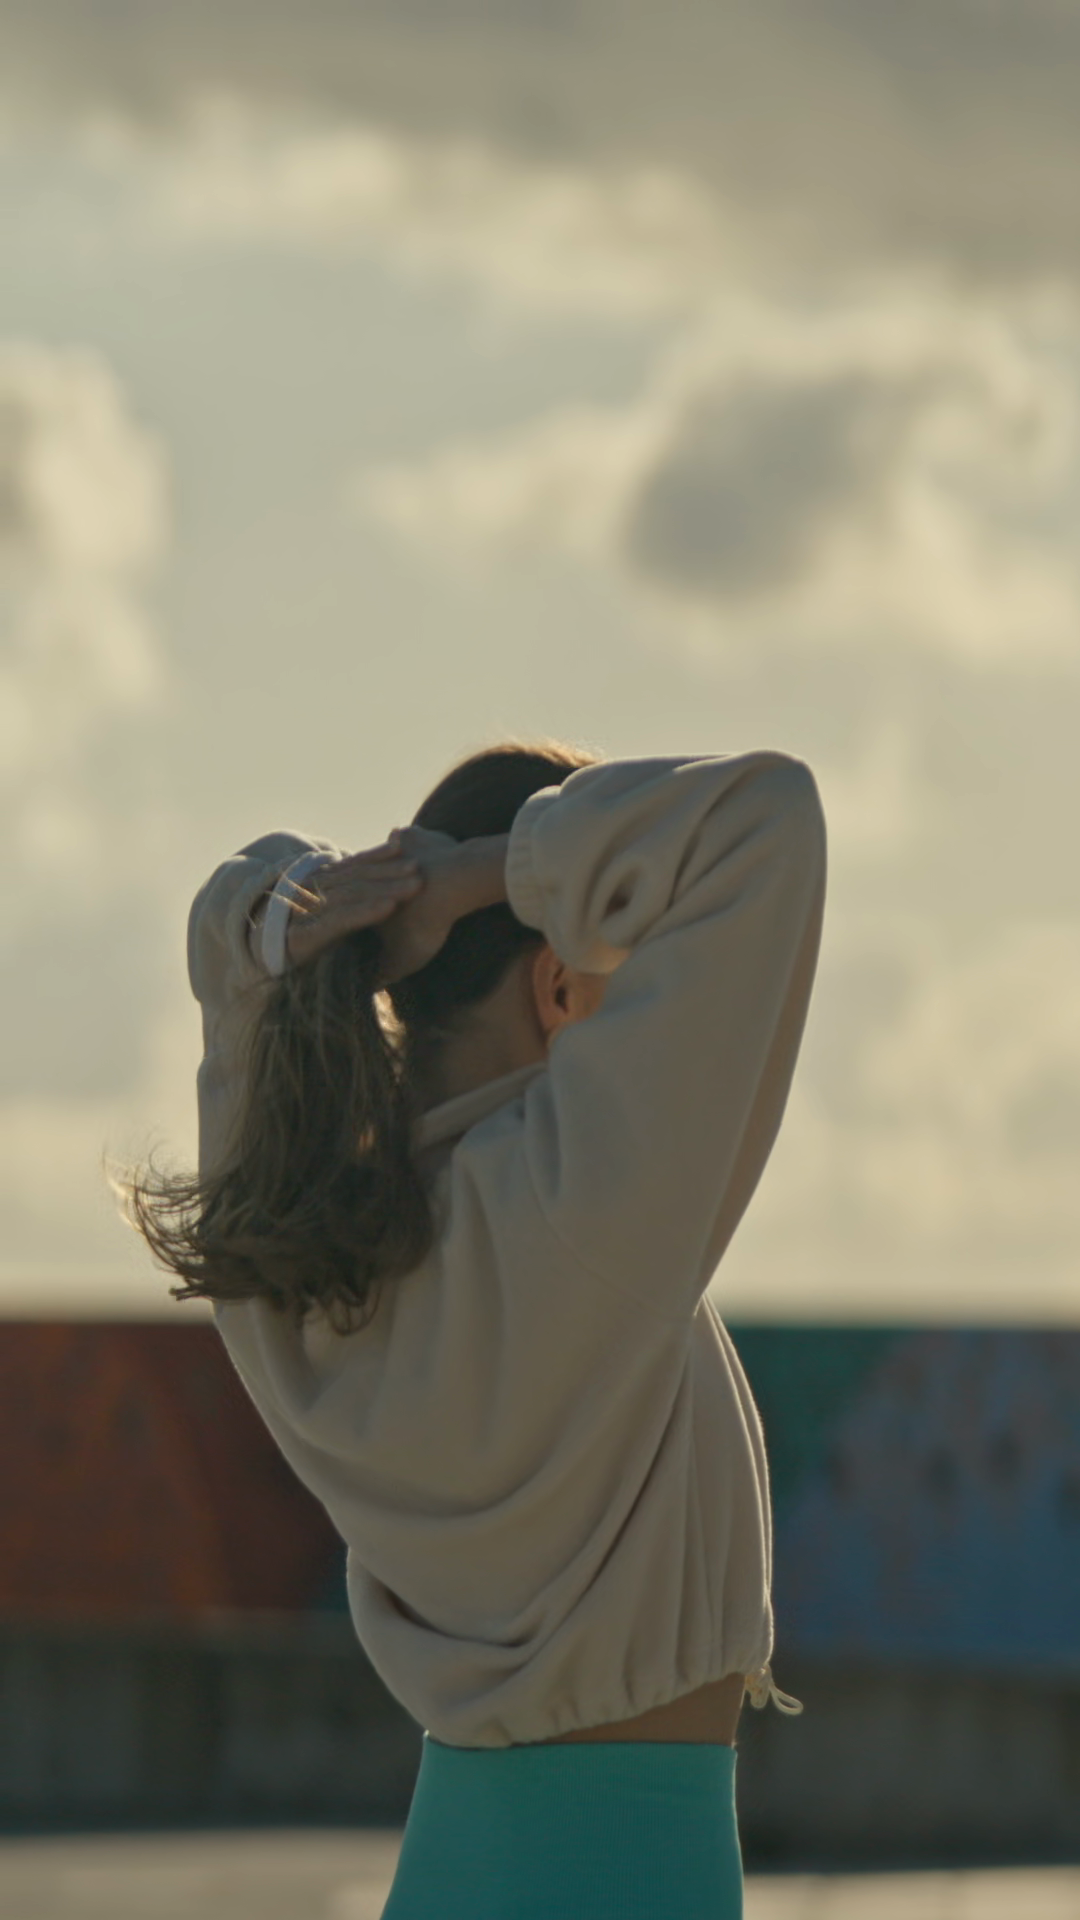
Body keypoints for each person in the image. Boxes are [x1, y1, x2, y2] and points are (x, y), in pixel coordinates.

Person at [123, 736, 827, 1918]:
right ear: (557, 986)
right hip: (629, 1875)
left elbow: (228, 946)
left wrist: (318, 911)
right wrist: (486, 877)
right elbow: (766, 815)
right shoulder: (579, 1202)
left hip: (453, 1859)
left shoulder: (292, 1254)